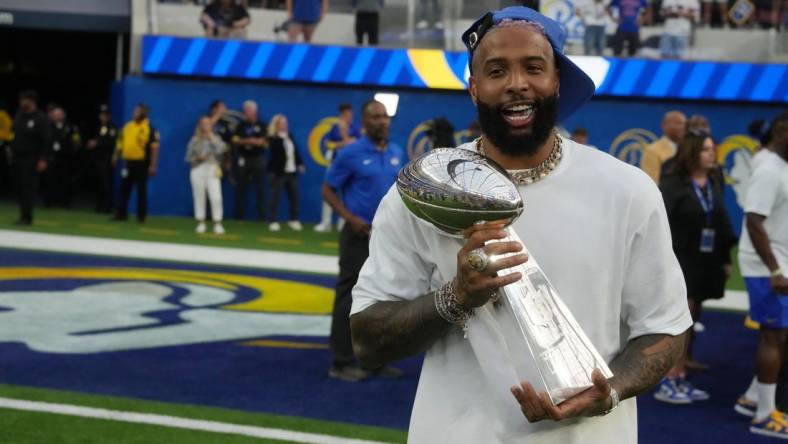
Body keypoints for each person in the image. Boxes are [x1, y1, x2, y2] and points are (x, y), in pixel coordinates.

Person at [349, 7, 691, 442]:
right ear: (474, 89)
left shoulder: (627, 191)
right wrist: (456, 296)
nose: (516, 83)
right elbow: (367, 340)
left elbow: (664, 329)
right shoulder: (420, 194)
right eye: (496, 70)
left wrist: (612, 390)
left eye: (534, 67)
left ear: (557, 81)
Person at [322, 100, 406, 382]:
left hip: (388, 239)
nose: (382, 121)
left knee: (384, 298)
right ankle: (341, 361)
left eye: (385, 117)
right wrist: (350, 217)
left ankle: (375, 359)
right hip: (358, 236)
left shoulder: (396, 152)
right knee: (348, 297)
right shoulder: (350, 153)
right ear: (364, 122)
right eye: (375, 117)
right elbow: (328, 189)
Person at [655, 131, 736, 404]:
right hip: (679, 258)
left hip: (706, 259)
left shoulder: (713, 180)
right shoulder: (671, 184)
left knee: (694, 311)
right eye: (705, 150)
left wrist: (725, 258)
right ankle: (671, 378)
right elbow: (660, 226)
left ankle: (683, 364)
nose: (712, 154)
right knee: (682, 314)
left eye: (713, 149)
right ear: (691, 153)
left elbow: (720, 219)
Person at [734, 112, 788, 438]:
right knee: (773, 335)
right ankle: (764, 415)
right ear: (782, 134)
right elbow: (754, 222)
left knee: (781, 335)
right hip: (765, 267)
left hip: (778, 262)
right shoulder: (768, 171)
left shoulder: (782, 167)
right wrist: (776, 270)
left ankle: (752, 397)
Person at [315, 103, 361, 233]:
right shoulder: (334, 127)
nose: (348, 116)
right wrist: (343, 142)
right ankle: (326, 223)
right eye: (346, 114)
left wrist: (344, 136)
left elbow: (355, 145)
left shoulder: (356, 128)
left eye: (350, 114)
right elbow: (328, 144)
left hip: (351, 167)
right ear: (341, 115)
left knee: (347, 196)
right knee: (329, 193)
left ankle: (343, 223)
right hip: (335, 165)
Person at [113, 103, 160, 223]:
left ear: (143, 113)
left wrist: (153, 165)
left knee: (141, 190)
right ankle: (121, 214)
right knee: (124, 189)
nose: (134, 113)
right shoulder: (128, 126)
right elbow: (120, 142)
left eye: (137, 111)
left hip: (142, 164)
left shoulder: (150, 129)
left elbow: (154, 148)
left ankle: (141, 217)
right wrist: (116, 156)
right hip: (128, 162)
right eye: (134, 111)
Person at [10, 90, 50, 225]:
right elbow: (14, 132)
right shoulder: (19, 115)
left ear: (31, 101)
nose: (21, 102)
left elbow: (46, 140)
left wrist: (43, 159)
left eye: (23, 100)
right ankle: (22, 214)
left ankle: (27, 217)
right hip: (17, 157)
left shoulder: (41, 118)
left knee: (28, 188)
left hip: (32, 158)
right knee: (18, 187)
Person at [186, 115, 227, 235]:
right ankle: (201, 222)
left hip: (212, 169)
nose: (205, 126)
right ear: (200, 125)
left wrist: (212, 138)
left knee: (216, 197)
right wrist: (198, 158)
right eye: (203, 123)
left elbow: (222, 150)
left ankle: (217, 223)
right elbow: (188, 157)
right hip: (198, 169)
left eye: (208, 123)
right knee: (199, 196)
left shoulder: (216, 138)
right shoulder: (194, 140)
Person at [267, 114, 304, 232]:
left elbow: (295, 151)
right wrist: (281, 138)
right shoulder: (272, 138)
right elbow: (276, 151)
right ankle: (273, 220)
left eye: (286, 123)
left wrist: (300, 163)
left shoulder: (290, 136)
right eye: (282, 123)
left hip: (291, 171)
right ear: (277, 125)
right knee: (275, 197)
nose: (285, 125)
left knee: (294, 196)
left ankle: (293, 220)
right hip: (278, 172)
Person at [232, 100, 268, 221]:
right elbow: (235, 141)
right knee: (240, 188)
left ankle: (262, 218)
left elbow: (263, 142)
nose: (247, 112)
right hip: (243, 159)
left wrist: (250, 141)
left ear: (255, 111)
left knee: (261, 188)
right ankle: (238, 217)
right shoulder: (240, 125)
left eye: (249, 110)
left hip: (258, 159)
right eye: (246, 110)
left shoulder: (262, 125)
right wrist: (250, 141)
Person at [43, 105, 81, 208]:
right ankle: (49, 202)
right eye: (55, 114)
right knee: (50, 180)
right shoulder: (47, 126)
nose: (58, 116)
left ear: (64, 115)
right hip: (52, 157)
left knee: (65, 180)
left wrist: (73, 150)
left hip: (65, 158)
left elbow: (77, 141)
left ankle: (65, 202)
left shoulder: (71, 127)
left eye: (59, 114)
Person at [85, 105, 118, 213]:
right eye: (101, 115)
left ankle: (107, 207)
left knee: (106, 183)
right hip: (98, 159)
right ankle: (99, 207)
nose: (102, 117)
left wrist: (97, 143)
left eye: (104, 115)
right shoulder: (99, 127)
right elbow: (97, 138)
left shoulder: (112, 127)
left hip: (107, 159)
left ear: (108, 116)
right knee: (100, 183)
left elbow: (111, 143)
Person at [640, 110, 686, 184]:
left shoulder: (688, 149)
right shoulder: (652, 151)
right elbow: (652, 183)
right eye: (678, 123)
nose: (683, 127)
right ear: (664, 125)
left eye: (685, 124)